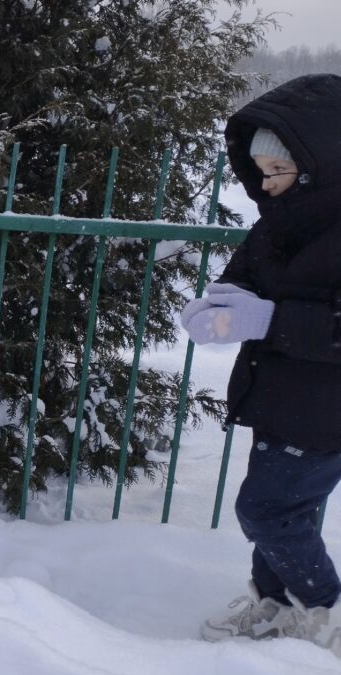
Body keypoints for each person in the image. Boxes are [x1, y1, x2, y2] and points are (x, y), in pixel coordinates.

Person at [180, 74, 341, 653]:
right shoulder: (276, 225)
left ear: (322, 163)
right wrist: (219, 306)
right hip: (277, 399)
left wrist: (268, 320)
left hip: (326, 414)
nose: (267, 188)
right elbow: (242, 280)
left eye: (280, 172)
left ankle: (323, 606)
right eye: (261, 174)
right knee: (292, 512)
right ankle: (276, 604)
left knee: (267, 511)